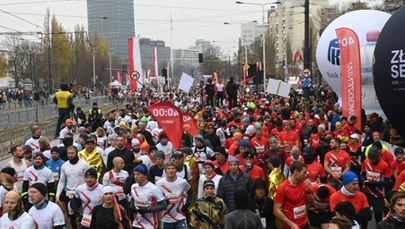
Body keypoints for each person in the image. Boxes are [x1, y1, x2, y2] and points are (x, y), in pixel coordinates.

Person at [56, 145, 90, 229]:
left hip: (82, 194)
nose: (70, 155)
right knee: (71, 215)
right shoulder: (64, 166)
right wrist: (57, 195)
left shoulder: (85, 164)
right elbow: (62, 181)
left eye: (72, 153)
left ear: (76, 153)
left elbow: (89, 179)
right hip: (69, 193)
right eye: (69, 153)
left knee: (82, 214)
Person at [274, 161, 314, 229]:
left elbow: (311, 202)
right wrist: (291, 224)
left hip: (304, 224)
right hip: (291, 226)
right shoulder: (283, 188)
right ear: (296, 172)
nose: (306, 175)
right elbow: (276, 210)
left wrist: (308, 192)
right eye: (304, 173)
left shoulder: (304, 184)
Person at [130, 164, 167, 229]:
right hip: (136, 223)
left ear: (145, 175)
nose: (135, 177)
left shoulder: (153, 188)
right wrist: (132, 207)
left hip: (150, 224)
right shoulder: (133, 187)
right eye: (134, 174)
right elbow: (133, 201)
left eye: (138, 174)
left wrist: (148, 210)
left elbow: (163, 205)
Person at [361, 146, 391, 223]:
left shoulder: (384, 165)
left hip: (378, 194)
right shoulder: (366, 162)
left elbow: (387, 182)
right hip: (367, 192)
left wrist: (376, 183)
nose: (371, 161)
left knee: (378, 216)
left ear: (378, 157)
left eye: (373, 160)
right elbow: (362, 174)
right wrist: (364, 180)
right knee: (364, 215)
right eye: (370, 159)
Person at [156, 162, 191, 229]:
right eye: (168, 168)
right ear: (165, 170)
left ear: (176, 170)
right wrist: (164, 203)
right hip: (165, 217)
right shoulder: (159, 183)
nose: (171, 170)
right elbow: (156, 199)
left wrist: (186, 205)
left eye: (173, 168)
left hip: (180, 216)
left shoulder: (182, 182)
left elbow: (190, 192)